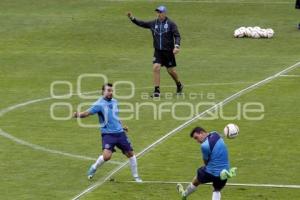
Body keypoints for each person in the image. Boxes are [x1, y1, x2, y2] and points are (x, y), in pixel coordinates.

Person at [73, 83, 142, 182]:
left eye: (111, 90)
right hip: (108, 134)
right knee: (107, 156)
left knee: (131, 154)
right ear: (103, 92)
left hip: (120, 133)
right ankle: (94, 167)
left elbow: (116, 116)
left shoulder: (115, 102)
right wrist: (78, 115)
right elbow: (87, 113)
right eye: (108, 90)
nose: (111, 92)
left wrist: (122, 126)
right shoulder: (99, 104)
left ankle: (136, 176)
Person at [127, 5, 183, 97]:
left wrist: (176, 46)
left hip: (168, 52)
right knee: (156, 67)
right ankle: (157, 91)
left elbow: (177, 35)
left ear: (165, 13)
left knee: (170, 71)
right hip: (158, 51)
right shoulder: (153, 23)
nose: (158, 13)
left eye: (160, 12)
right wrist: (132, 18)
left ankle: (179, 84)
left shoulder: (171, 24)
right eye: (157, 12)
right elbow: (142, 23)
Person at [176, 127, 237, 200]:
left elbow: (206, 162)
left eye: (196, 137)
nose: (197, 141)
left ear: (201, 133)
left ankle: (184, 194)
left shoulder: (204, 146)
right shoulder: (215, 134)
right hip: (225, 172)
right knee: (217, 189)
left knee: (196, 179)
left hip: (211, 172)